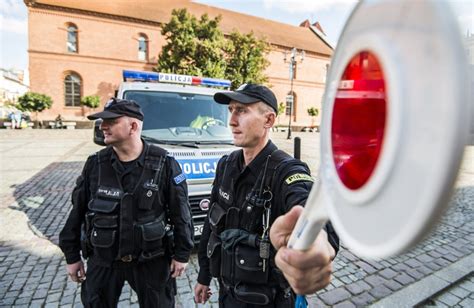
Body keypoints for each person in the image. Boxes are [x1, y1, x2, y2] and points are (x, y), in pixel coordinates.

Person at [194, 84, 339, 307]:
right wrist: (203, 276)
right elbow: (211, 225)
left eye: (242, 110)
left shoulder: (287, 171)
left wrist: (316, 241)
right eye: (231, 110)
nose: (231, 120)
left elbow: (312, 213)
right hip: (227, 295)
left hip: (269, 301)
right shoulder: (226, 165)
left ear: (268, 120)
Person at [59, 98, 194, 307]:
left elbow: (181, 214)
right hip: (104, 260)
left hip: (151, 260)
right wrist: (71, 256)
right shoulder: (95, 165)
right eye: (103, 121)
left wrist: (182, 254)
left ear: (133, 126)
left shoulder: (164, 164)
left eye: (111, 121)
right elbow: (77, 212)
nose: (103, 126)